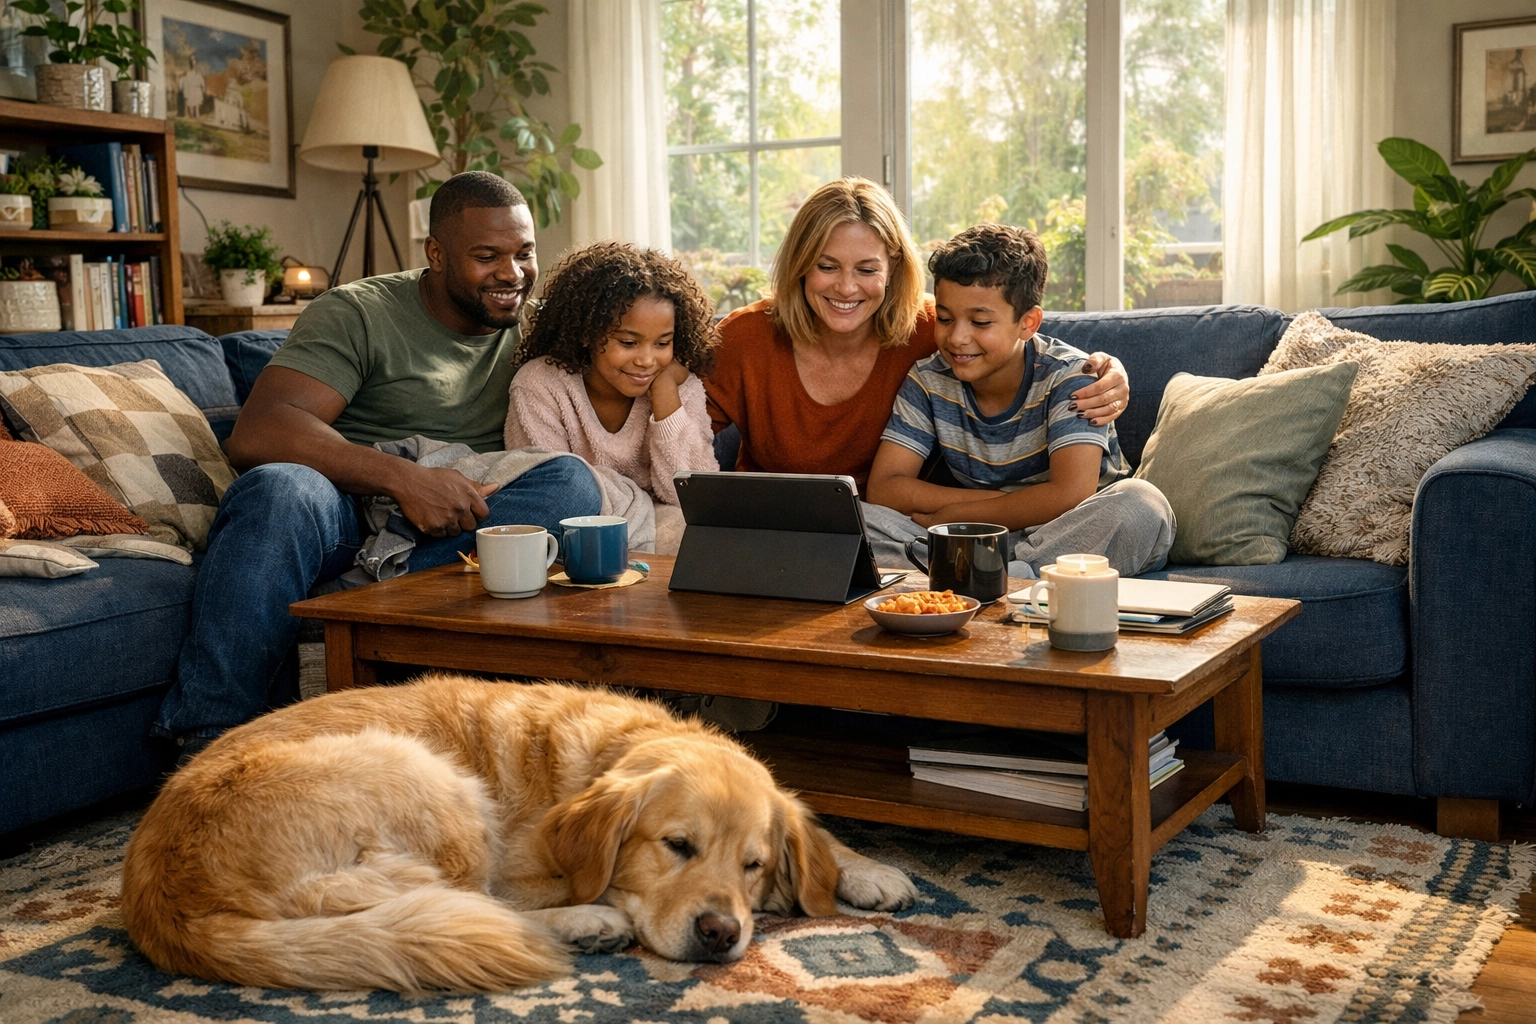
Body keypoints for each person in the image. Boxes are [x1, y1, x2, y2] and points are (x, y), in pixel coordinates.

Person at [152, 171, 602, 762]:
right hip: (350, 507)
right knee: (279, 489)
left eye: (524, 253)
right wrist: (403, 478)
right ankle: (210, 742)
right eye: (487, 256)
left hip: (458, 515)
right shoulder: (358, 312)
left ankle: (348, 603)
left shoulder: (539, 325)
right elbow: (261, 430)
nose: (512, 274)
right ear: (435, 254)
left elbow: (637, 355)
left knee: (569, 482)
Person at [704, 176, 1131, 488]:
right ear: (800, 264)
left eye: (867, 269)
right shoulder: (746, 337)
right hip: (784, 527)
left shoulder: (934, 328)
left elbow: (1015, 337)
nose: (846, 288)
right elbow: (673, 428)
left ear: (892, 269)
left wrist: (1108, 371)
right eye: (826, 266)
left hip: (875, 523)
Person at [863, 224, 1174, 579]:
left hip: (1069, 534)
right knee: (861, 519)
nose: (957, 337)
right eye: (945, 318)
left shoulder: (1072, 376)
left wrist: (958, 515)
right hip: (978, 538)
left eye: (980, 322)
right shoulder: (929, 378)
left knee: (1142, 505)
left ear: (1028, 323)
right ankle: (1008, 578)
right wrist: (979, 515)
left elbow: (1071, 495)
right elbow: (885, 487)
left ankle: (996, 577)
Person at [504, 241, 718, 508]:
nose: (647, 361)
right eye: (628, 343)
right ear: (587, 334)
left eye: (662, 343)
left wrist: (665, 392)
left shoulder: (679, 384)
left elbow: (695, 500)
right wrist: (635, 503)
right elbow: (550, 493)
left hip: (661, 524)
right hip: (575, 531)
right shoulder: (540, 385)